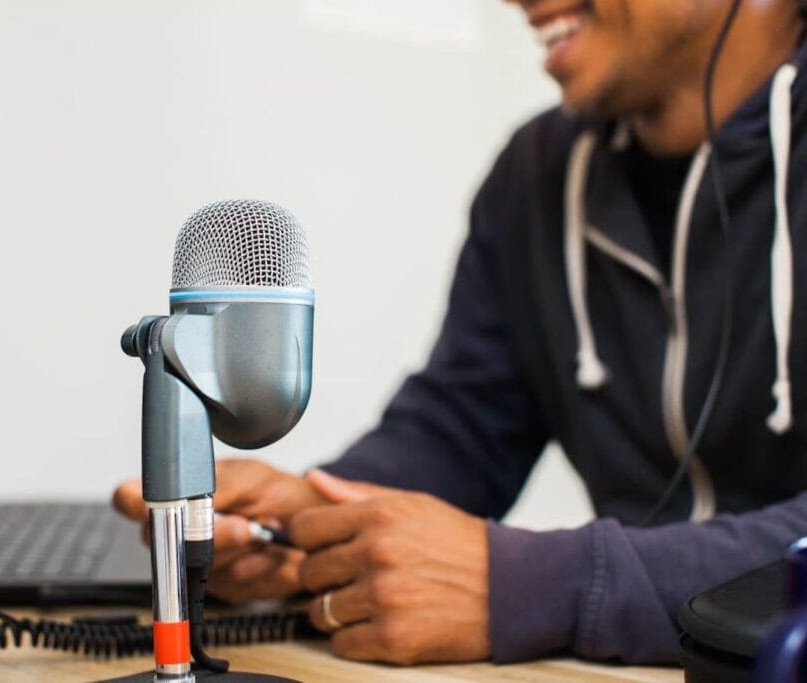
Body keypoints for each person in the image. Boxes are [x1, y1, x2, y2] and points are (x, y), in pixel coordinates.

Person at [115, 0, 807, 666]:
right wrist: (307, 522)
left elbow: (523, 579)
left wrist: (541, 585)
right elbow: (463, 427)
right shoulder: (537, 173)